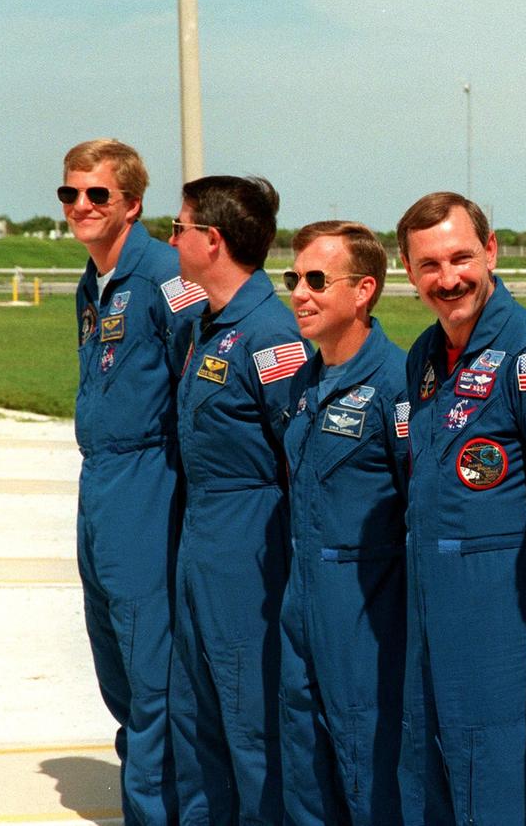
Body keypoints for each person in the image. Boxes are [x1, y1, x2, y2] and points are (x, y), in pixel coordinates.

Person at [396, 191, 526, 825]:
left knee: (501, 789)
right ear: (408, 270)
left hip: (505, 617)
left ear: (491, 251)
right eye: (429, 265)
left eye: (461, 258)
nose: (448, 279)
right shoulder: (423, 356)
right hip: (430, 606)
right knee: (431, 782)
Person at [64, 138, 205, 824]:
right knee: (115, 665)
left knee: (152, 673)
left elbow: (201, 375)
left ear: (132, 204)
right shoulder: (92, 284)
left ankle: (161, 810)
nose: (82, 205)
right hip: (99, 481)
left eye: (98, 194)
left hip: (148, 478)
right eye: (70, 193)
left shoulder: (164, 275)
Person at [168, 175, 307, 823]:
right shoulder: (206, 324)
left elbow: (299, 455)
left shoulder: (272, 334)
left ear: (212, 240)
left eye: (179, 227)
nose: (171, 239)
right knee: (196, 722)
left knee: (251, 725)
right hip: (202, 542)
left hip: (250, 551)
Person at [278, 221, 408, 823]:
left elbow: (416, 506)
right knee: (305, 766)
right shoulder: (303, 384)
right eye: (293, 279)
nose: (299, 293)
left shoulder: (397, 384)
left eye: (315, 280)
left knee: (366, 767)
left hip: (366, 615)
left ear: (363, 290)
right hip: (303, 601)